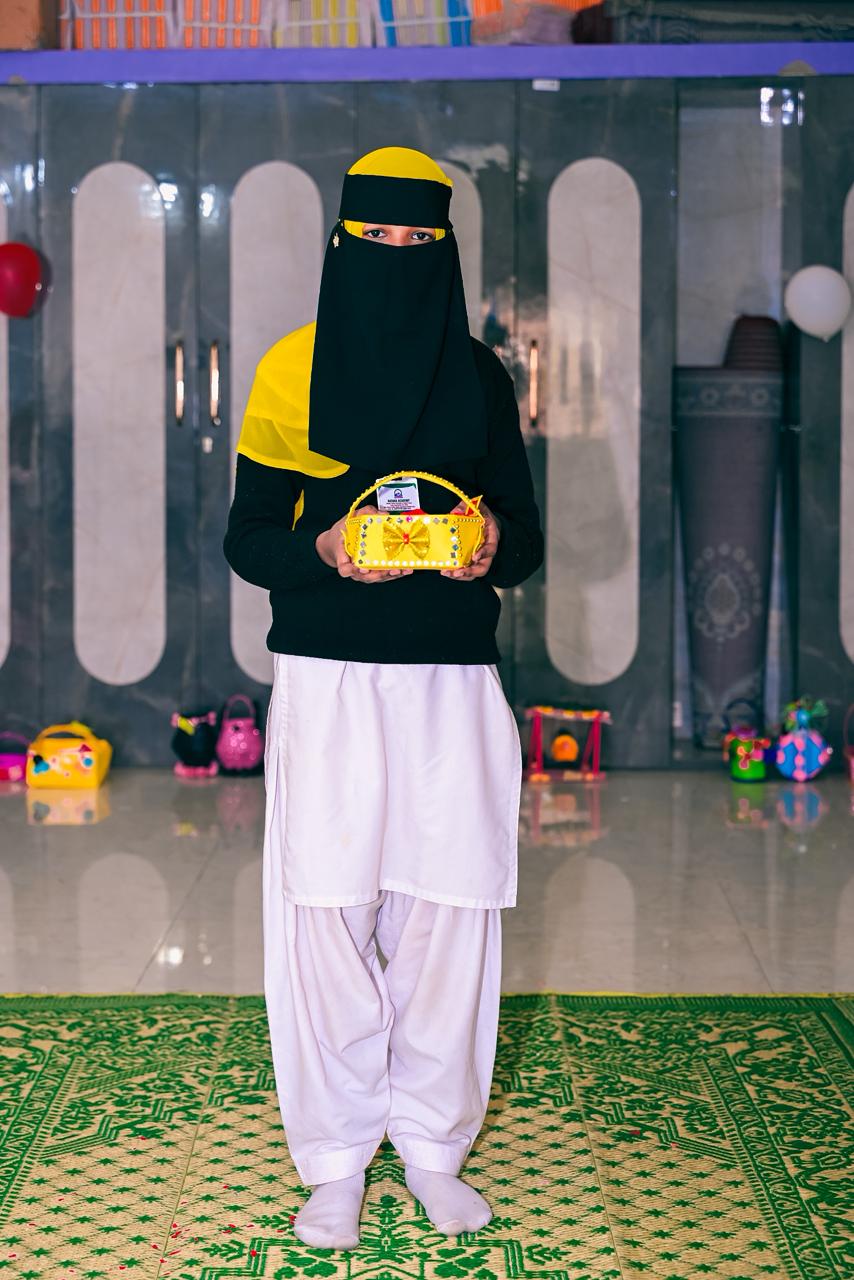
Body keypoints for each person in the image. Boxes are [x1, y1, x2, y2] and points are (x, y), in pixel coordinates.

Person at [223, 146, 543, 1251]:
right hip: (330, 679)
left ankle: (433, 1148)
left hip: (450, 682)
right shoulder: (288, 371)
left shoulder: (480, 379)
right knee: (325, 914)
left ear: (444, 251)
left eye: (419, 241)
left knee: (449, 913)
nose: (397, 258)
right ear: (341, 244)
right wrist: (323, 550)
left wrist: (490, 546)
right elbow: (248, 540)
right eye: (377, 239)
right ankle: (334, 1158)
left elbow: (524, 539)